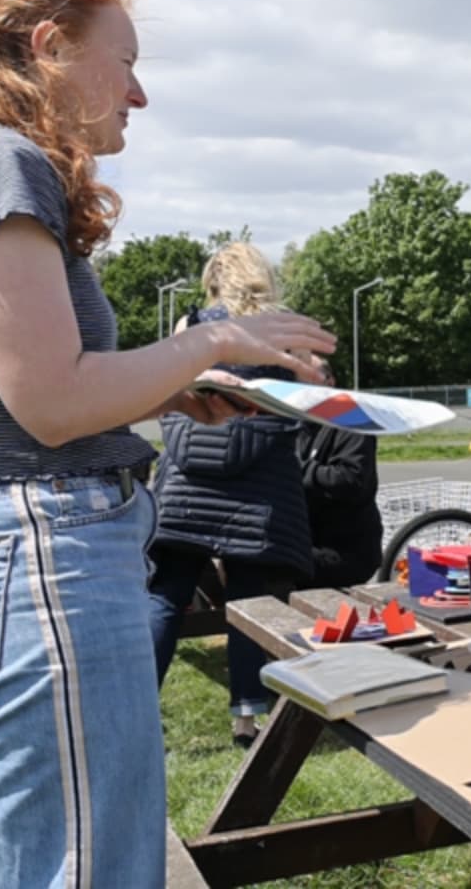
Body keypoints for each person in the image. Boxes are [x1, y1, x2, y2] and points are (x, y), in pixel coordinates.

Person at [0, 0, 337, 887]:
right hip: (42, 557)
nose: (138, 96)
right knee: (90, 870)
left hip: (35, 554)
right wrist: (215, 345)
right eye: (126, 62)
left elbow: (53, 387)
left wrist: (172, 391)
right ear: (51, 48)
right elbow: (52, 403)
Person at [145, 242, 318, 746]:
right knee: (250, 602)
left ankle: (138, 709)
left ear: (214, 279)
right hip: (258, 487)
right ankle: (247, 718)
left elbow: (169, 385)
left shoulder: (190, 324)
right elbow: (306, 394)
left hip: (187, 481)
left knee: (164, 597)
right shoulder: (283, 329)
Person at [296, 419, 385, 589]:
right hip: (309, 541)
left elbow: (351, 479)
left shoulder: (353, 424)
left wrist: (298, 469)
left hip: (344, 550)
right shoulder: (299, 423)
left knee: (276, 570)